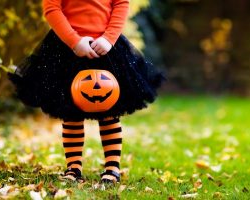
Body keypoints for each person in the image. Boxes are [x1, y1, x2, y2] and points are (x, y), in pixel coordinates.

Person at [9, 0, 165, 184]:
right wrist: (74, 41)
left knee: (110, 111)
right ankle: (73, 167)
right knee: (71, 112)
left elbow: (121, 4)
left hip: (106, 47)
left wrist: (109, 39)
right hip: (66, 49)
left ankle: (112, 167)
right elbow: (52, 9)